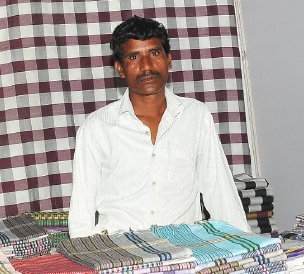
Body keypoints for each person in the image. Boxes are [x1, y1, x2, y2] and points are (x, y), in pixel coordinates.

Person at [68, 16, 251, 238]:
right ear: (120, 68)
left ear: (169, 60)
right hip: (120, 255)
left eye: (154, 54)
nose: (146, 66)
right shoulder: (96, 128)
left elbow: (220, 193)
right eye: (134, 57)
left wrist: (247, 249)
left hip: (187, 250)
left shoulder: (195, 116)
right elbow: (81, 213)